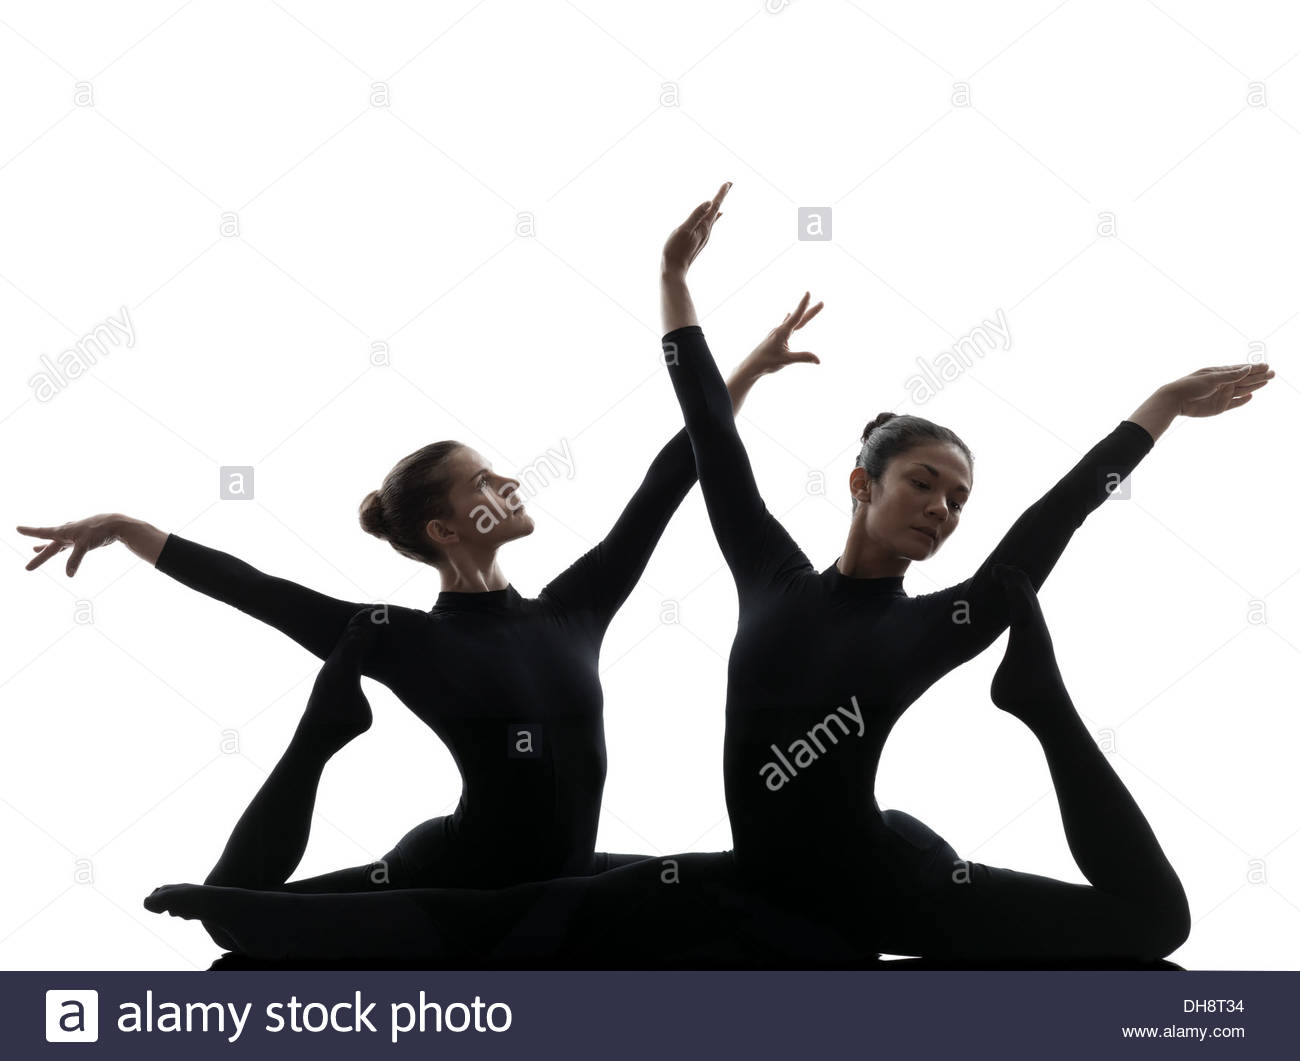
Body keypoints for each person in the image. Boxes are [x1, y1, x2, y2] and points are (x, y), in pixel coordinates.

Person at [141, 183, 1274, 964]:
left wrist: (1156, 412)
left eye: (958, 499)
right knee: (537, 912)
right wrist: (674, 282)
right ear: (860, 485)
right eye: (925, 482)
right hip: (754, 880)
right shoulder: (770, 574)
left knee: (1153, 922)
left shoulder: (947, 621)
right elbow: (703, 443)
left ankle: (1044, 707)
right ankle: (246, 916)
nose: (944, 509)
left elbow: (1049, 519)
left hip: (889, 886)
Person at [16, 281, 815, 906]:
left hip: (564, 885)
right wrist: (124, 526)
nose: (508, 480)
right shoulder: (401, 638)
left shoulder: (574, 606)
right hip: (446, 879)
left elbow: (671, 474)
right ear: (443, 528)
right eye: (483, 479)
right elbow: (254, 589)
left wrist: (747, 368)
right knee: (234, 913)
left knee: (752, 885)